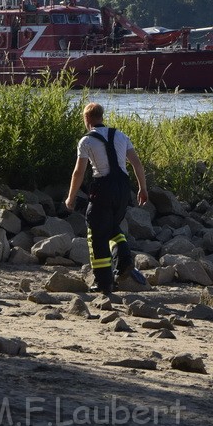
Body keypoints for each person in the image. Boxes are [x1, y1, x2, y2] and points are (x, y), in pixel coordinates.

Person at [65, 103, 148, 293]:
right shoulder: (120, 135)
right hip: (123, 189)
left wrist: (71, 197)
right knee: (111, 227)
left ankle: (104, 283)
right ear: (101, 116)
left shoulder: (86, 141)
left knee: (96, 233)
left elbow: (78, 172)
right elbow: (136, 163)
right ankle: (125, 261)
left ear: (86, 119)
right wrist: (143, 188)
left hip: (103, 187)